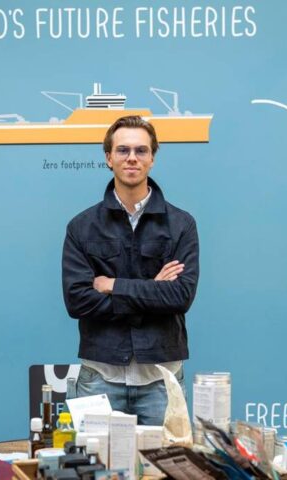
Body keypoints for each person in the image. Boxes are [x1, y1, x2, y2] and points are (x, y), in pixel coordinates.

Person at [62, 115, 200, 425]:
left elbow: (180, 296)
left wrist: (113, 285)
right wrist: (153, 290)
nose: (132, 158)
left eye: (141, 150)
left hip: (162, 380)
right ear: (108, 158)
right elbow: (78, 301)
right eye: (123, 150)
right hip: (100, 378)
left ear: (152, 158)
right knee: (94, 459)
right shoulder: (81, 227)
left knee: (166, 458)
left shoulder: (181, 225)